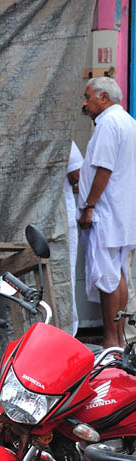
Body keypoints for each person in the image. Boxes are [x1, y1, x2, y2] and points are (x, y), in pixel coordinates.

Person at [78, 76, 136, 348]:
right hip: (120, 212)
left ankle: (111, 342)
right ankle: (118, 341)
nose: (85, 103)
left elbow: (104, 169)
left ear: (103, 97)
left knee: (107, 276)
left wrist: (89, 206)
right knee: (117, 273)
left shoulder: (109, 124)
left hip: (106, 211)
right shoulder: (126, 120)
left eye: (88, 97)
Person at [64, 140, 83, 335]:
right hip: (61, 219)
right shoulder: (61, 138)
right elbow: (77, 173)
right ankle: (68, 331)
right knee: (65, 278)